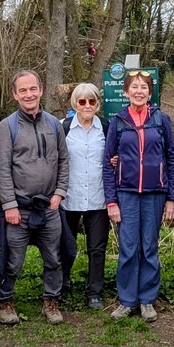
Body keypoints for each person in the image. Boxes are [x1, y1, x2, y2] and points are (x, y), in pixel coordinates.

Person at [0, 70, 70, 325]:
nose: (29, 94)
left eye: (33, 89)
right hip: (20, 210)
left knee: (54, 258)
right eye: (23, 90)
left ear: (41, 90)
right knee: (11, 261)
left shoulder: (54, 124)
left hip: (49, 207)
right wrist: (10, 205)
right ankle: (6, 302)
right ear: (15, 94)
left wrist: (60, 192)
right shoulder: (7, 126)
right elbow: (2, 168)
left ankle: (51, 301)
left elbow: (64, 161)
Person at [103, 70, 174, 322]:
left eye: (143, 87)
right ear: (126, 92)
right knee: (127, 249)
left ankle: (147, 300)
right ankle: (126, 301)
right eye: (134, 87)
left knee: (149, 248)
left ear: (150, 92)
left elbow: (171, 159)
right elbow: (107, 163)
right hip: (126, 194)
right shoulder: (118, 121)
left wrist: (172, 198)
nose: (139, 91)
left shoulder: (161, 119)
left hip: (155, 194)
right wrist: (111, 201)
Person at [61, 83, 111, 310]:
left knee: (97, 248)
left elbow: (115, 156)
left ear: (97, 103)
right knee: (65, 245)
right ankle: (61, 284)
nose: (87, 105)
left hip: (98, 196)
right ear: (75, 104)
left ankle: (95, 292)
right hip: (69, 196)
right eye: (82, 101)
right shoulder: (63, 127)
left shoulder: (107, 128)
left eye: (91, 101)